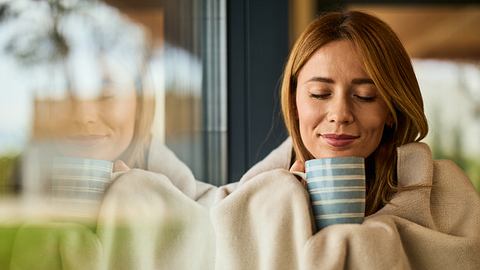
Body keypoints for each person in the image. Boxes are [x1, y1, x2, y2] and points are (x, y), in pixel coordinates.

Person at [210, 11, 480, 270]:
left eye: (365, 96)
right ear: (294, 103)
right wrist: (285, 201)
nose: (340, 115)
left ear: (391, 110)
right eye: (319, 94)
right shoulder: (245, 202)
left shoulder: (445, 194)